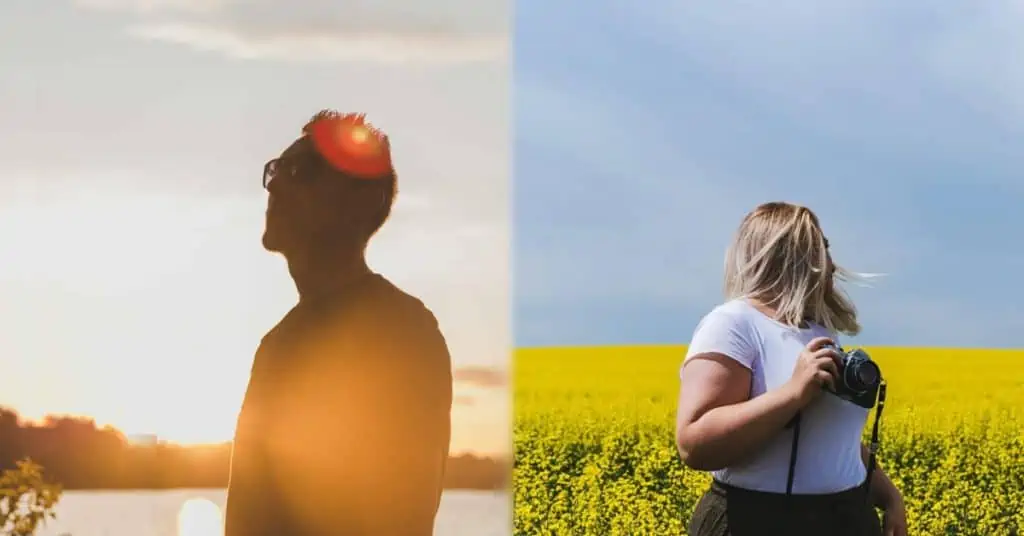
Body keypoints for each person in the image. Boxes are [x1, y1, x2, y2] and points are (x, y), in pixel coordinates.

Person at [224, 110, 453, 536]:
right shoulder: (276, 344)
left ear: (354, 205)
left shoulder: (400, 333)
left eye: (298, 170)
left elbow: (403, 511)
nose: (275, 184)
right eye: (274, 169)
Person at [675, 202, 907, 536]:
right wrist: (792, 394)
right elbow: (694, 443)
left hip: (846, 518)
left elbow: (836, 442)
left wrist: (889, 498)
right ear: (793, 254)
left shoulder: (820, 332)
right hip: (757, 520)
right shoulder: (732, 324)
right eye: (820, 247)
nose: (831, 262)